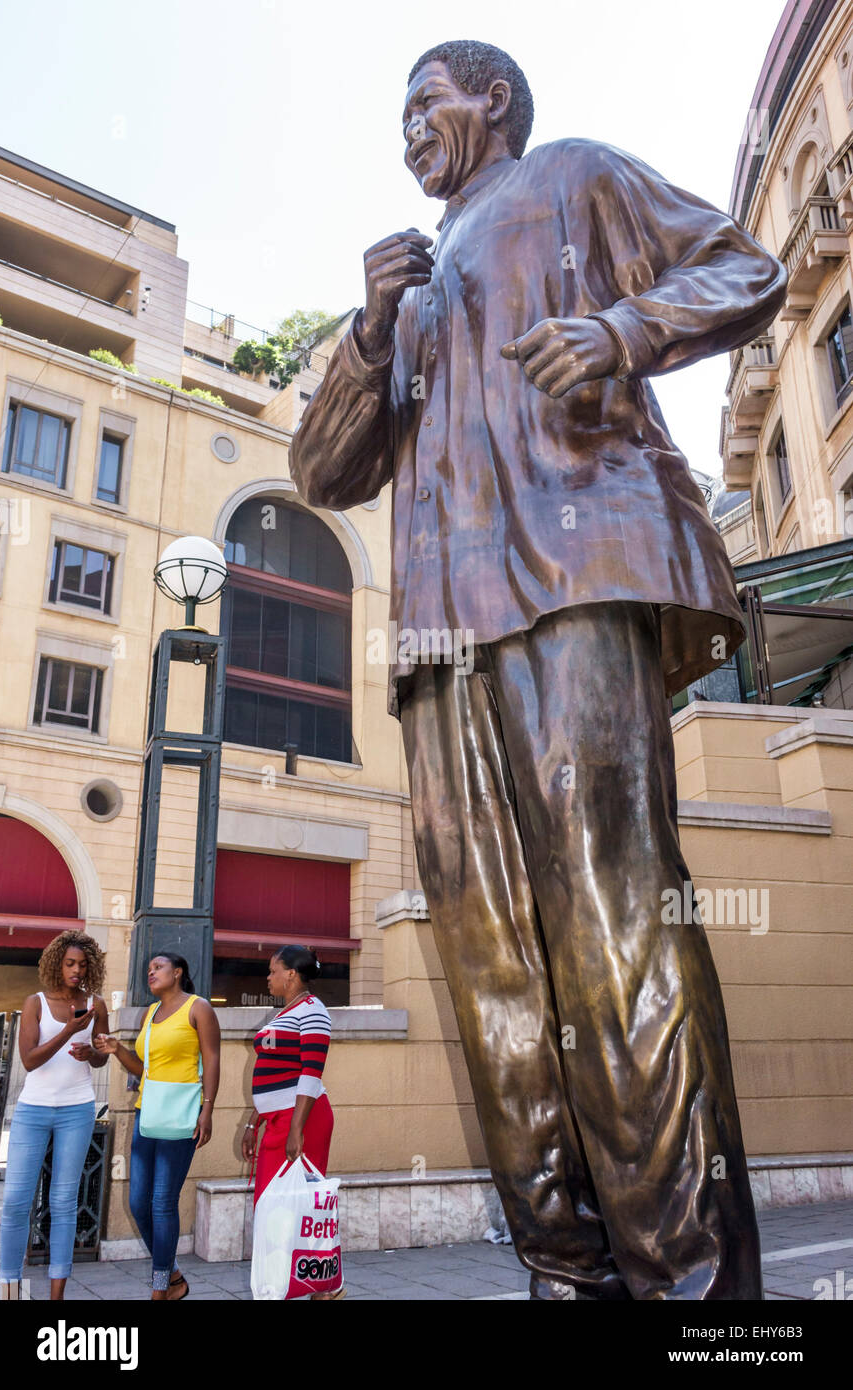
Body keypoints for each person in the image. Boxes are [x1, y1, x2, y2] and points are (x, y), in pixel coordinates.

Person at [288, 40, 789, 1299]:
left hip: (576, 580)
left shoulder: (568, 177)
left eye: (425, 104)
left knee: (614, 922)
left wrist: (623, 328)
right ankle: (566, 1272)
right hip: (437, 643)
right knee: (489, 961)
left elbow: (746, 264)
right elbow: (322, 474)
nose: (408, 132)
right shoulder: (402, 296)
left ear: (491, 101)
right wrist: (364, 332)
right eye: (397, 114)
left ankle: (694, 1292)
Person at [94, 952, 220, 1300]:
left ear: (178, 972)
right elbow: (144, 1070)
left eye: (158, 967)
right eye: (149, 968)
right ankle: (175, 1277)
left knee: (163, 1202)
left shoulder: (198, 1008)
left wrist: (207, 1109)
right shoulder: (150, 1014)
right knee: (138, 1203)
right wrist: (118, 1050)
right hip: (146, 1115)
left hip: (181, 1117)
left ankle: (160, 1287)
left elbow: (212, 1059)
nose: (151, 972)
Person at [0, 929, 108, 1301]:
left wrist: (90, 1053)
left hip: (77, 1109)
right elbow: (29, 1061)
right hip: (34, 1109)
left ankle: (56, 1296)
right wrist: (68, 1032)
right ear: (56, 964)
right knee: (15, 1200)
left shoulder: (96, 1005)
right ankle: (9, 1289)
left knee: (64, 1202)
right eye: (70, 964)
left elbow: (102, 1055)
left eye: (82, 965)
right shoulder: (36, 1003)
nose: (76, 971)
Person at [242, 946, 342, 1300]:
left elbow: (311, 1074)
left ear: (292, 975)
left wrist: (296, 1129)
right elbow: (275, 1074)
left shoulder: (314, 1011)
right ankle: (289, 1285)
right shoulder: (286, 1012)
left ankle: (322, 1291)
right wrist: (256, 1122)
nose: (268, 977)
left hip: (304, 1120)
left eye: (273, 971)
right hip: (278, 1119)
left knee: (300, 1205)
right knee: (274, 1208)